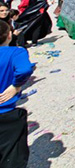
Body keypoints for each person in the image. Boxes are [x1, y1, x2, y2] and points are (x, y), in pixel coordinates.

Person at [0, 20, 34, 168]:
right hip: (6, 113)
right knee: (12, 156)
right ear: (9, 35)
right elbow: (25, 69)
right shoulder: (16, 52)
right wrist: (16, 85)